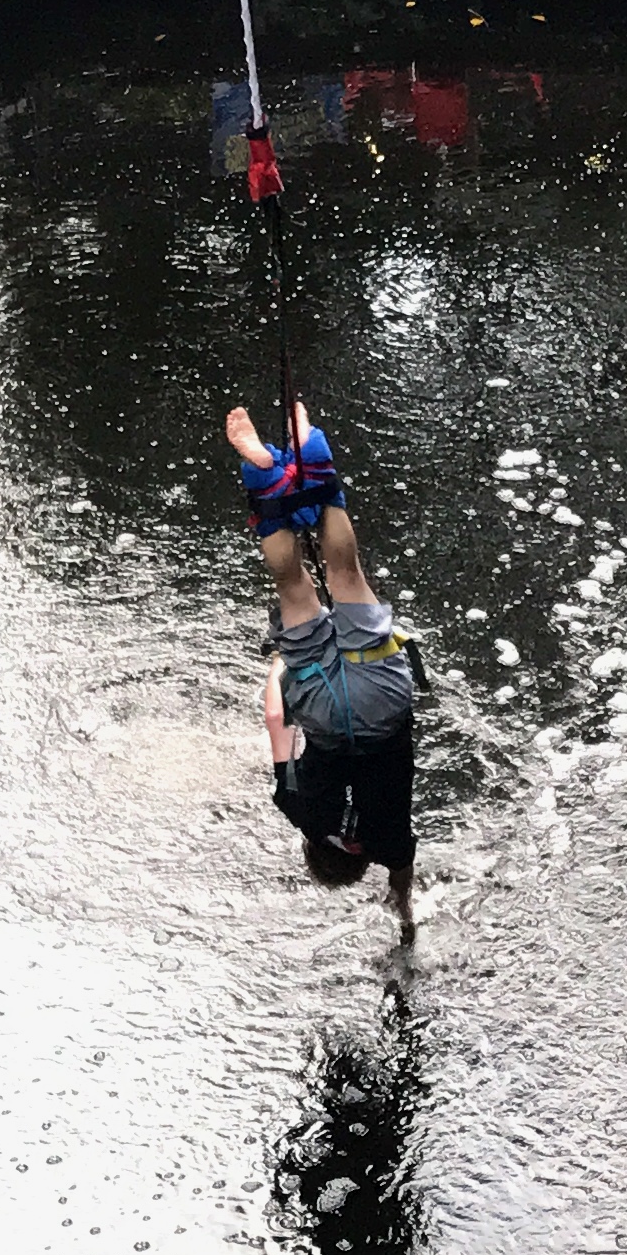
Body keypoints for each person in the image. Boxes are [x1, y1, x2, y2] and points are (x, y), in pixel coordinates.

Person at [227, 399, 419, 933]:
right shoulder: (301, 813)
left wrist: (405, 911)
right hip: (324, 710)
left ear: (360, 861)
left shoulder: (390, 842)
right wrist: (279, 665)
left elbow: (402, 873)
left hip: (382, 709)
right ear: (314, 847)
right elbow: (275, 721)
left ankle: (321, 473)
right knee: (294, 590)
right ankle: (266, 487)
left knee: (348, 575)